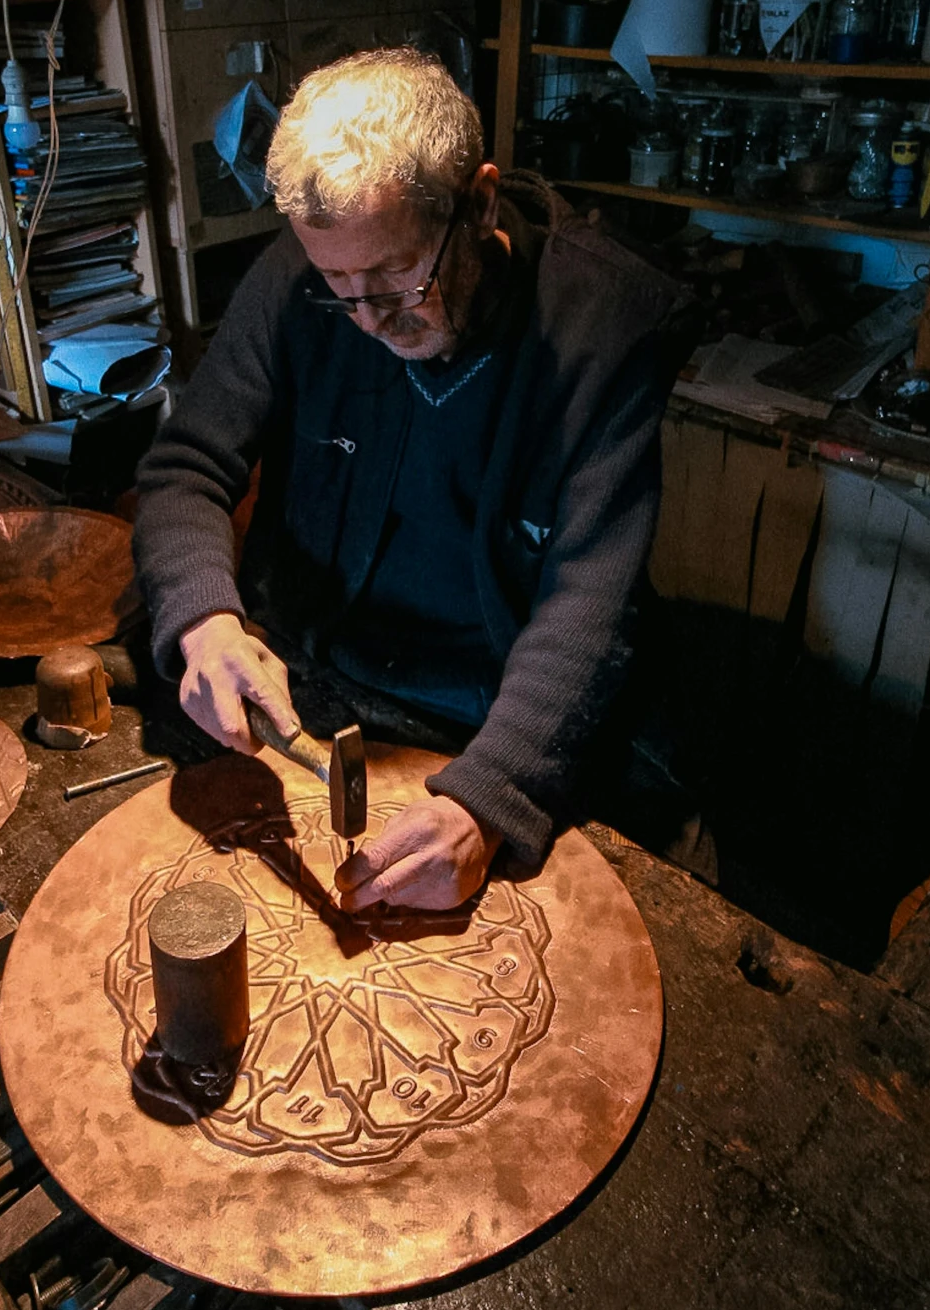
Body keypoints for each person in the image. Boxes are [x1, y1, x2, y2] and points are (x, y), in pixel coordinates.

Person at [131, 50, 689, 915]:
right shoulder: (304, 275)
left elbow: (591, 602)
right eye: (338, 288)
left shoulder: (601, 329)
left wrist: (491, 793)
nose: (368, 320)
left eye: (398, 279)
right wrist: (204, 620)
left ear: (478, 202)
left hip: (492, 703)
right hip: (316, 668)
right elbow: (186, 466)